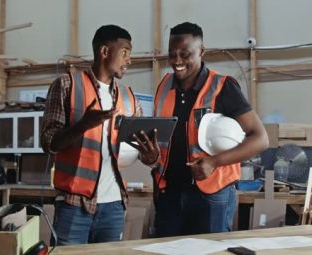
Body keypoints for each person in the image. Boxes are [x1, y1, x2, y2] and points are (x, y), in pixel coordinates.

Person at [41, 24, 159, 245]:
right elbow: (48, 142)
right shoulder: (67, 84)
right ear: (105, 51)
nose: (129, 60)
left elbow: (143, 154)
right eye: (125, 53)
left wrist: (152, 156)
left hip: (114, 206)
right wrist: (83, 125)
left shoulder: (129, 98)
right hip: (73, 204)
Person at [152, 22, 269, 237]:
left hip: (211, 195)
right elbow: (161, 139)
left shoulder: (223, 87)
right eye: (172, 54)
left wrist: (214, 162)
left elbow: (260, 138)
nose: (177, 61)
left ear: (201, 52)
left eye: (185, 54)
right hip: (169, 193)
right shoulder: (164, 85)